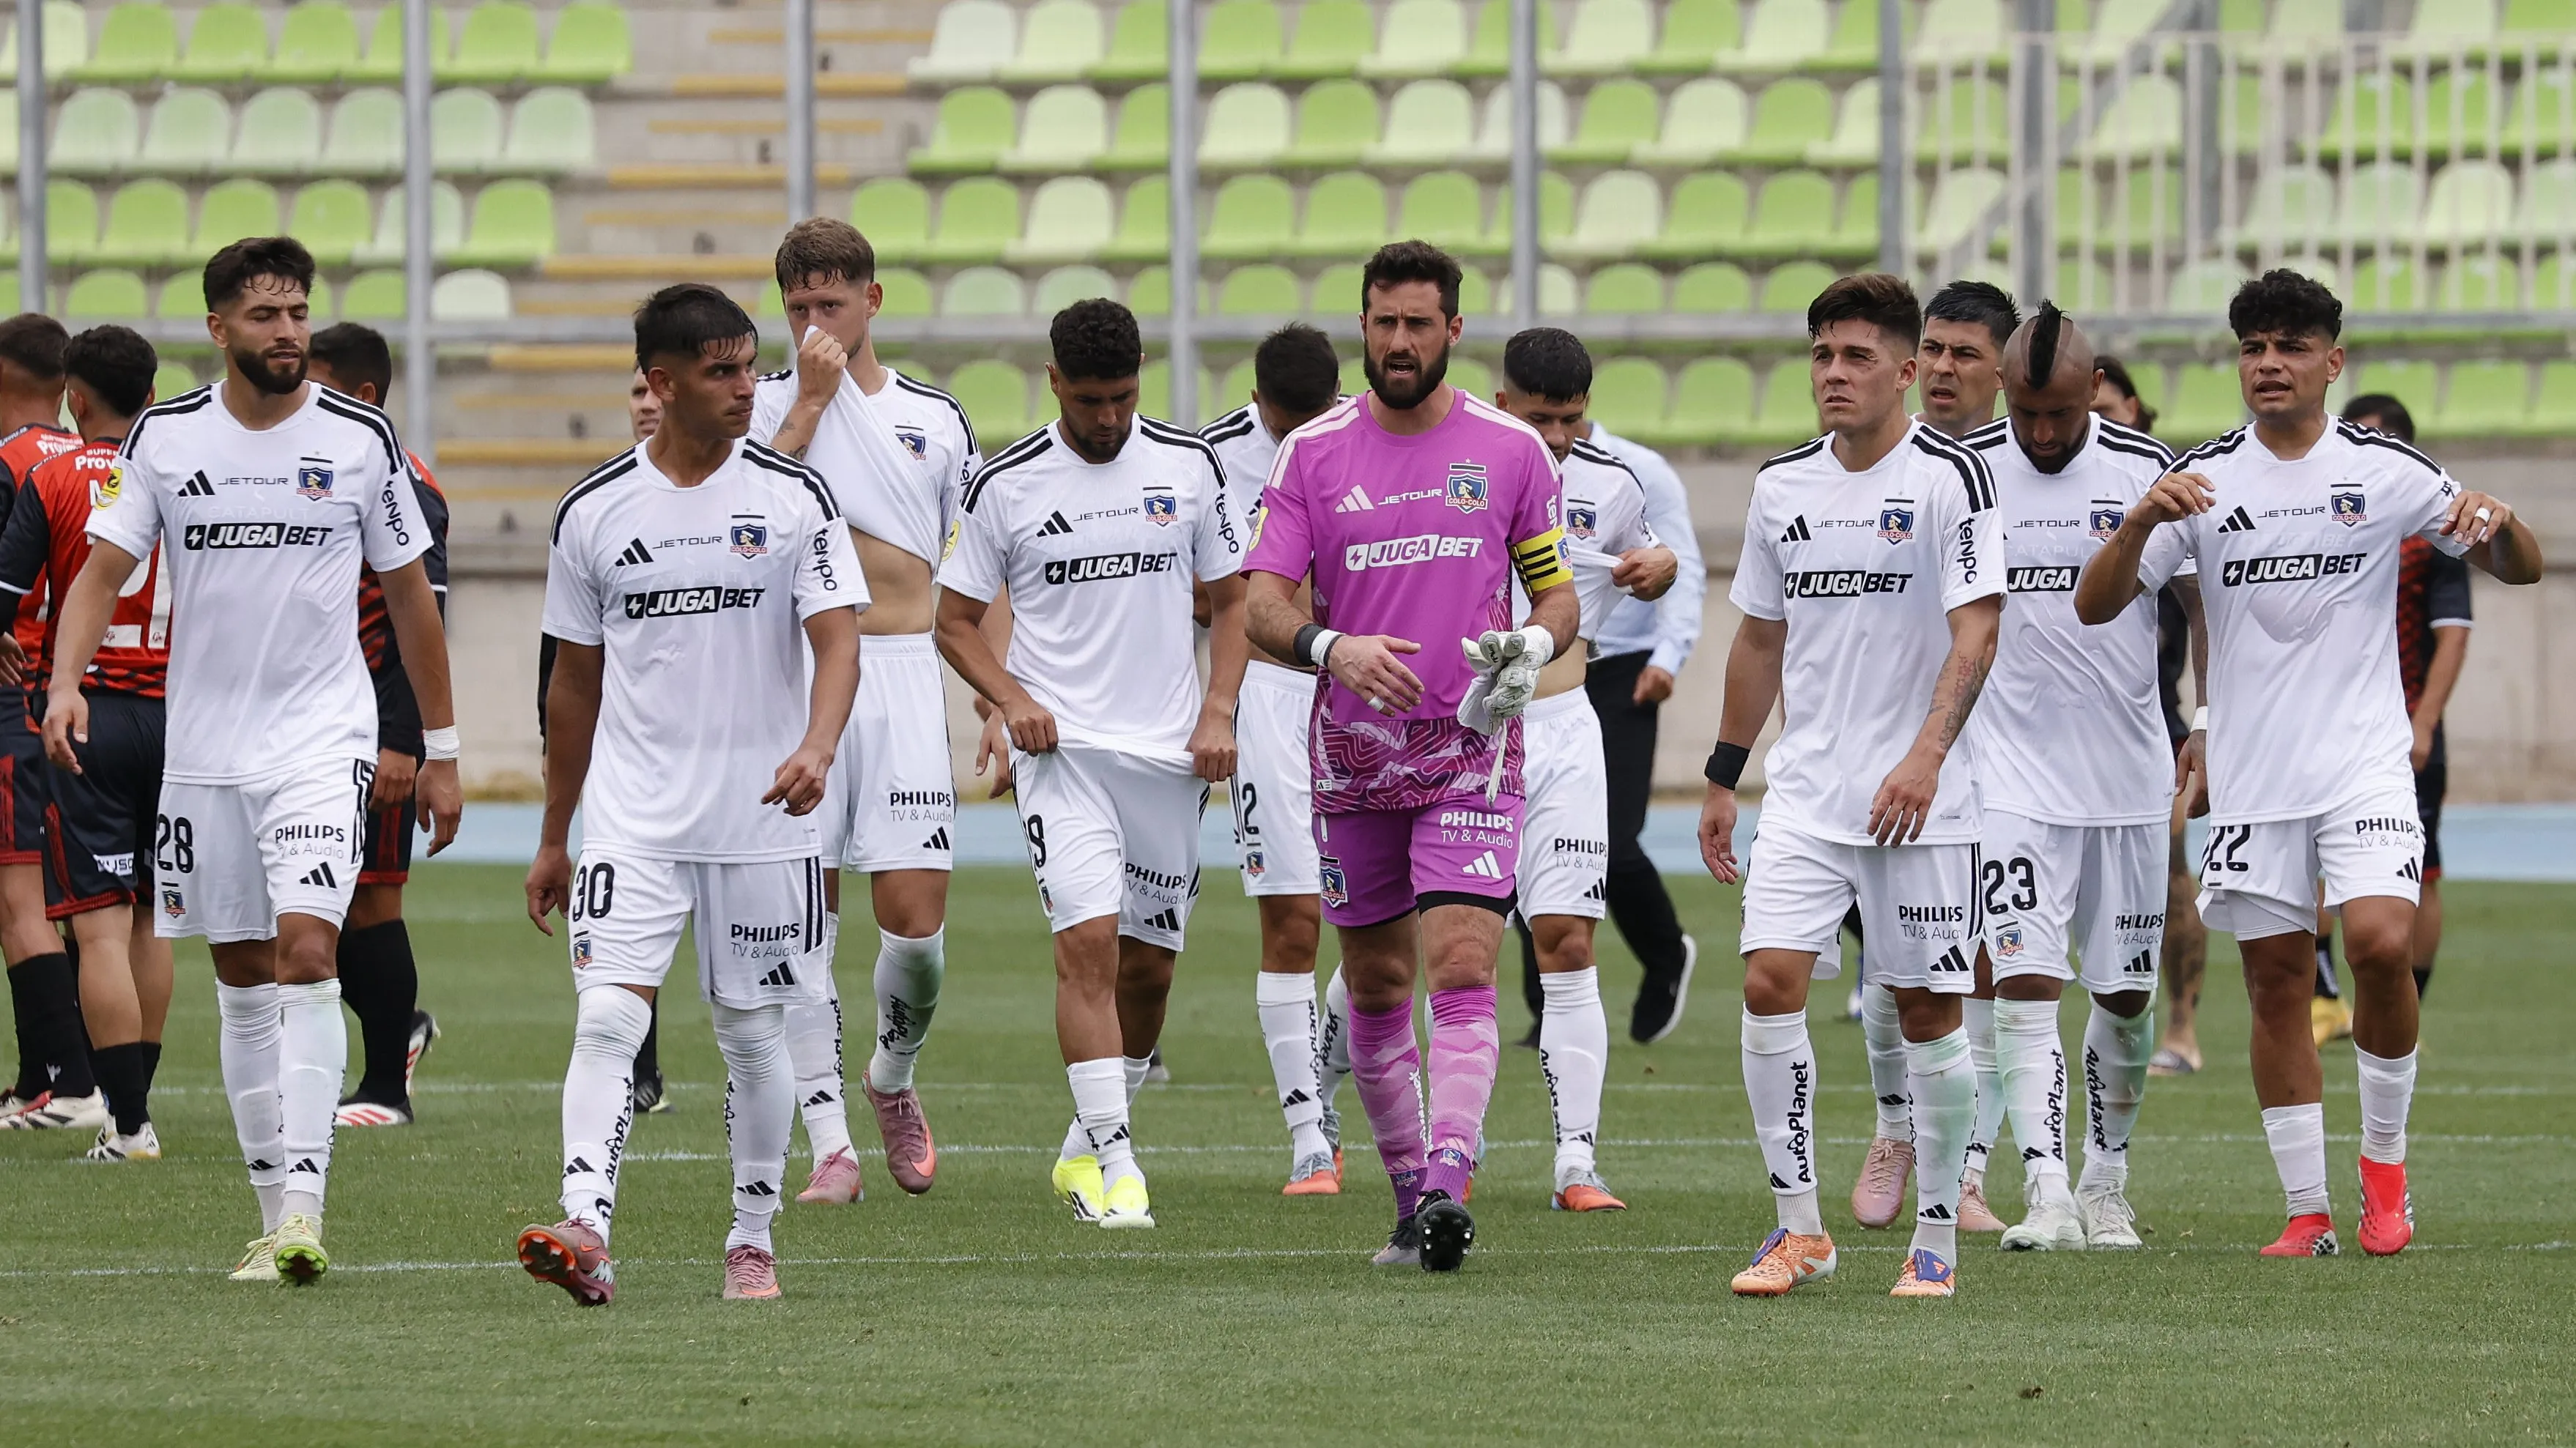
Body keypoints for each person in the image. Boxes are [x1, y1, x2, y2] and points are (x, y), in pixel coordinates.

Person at [2075, 269, 2542, 1258]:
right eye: (2253, 348)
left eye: (2290, 346)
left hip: (2365, 762)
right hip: (2251, 773)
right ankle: (2308, 1210)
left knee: (2378, 941)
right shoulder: (2201, 480)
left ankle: (2384, 1173)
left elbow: (2519, 563)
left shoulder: (2384, 469)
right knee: (2278, 982)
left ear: (2333, 362)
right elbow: (2095, 602)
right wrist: (2143, 520)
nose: (2269, 364)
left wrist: (2501, 526)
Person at [45, 237, 462, 1284]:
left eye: (298, 312)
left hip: (323, 740)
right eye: (266, 315)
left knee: (308, 954)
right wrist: (64, 683)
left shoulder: (362, 439)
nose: (288, 332)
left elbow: (414, 601)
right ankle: (274, 1215)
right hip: (204, 751)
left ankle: (309, 1206)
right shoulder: (166, 440)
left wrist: (441, 747)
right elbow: (101, 573)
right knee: (239, 979)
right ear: (219, 328)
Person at [519, 283, 864, 1305]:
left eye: (748, 366)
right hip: (635, 816)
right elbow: (571, 685)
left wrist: (818, 743)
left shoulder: (794, 497)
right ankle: (586, 1225)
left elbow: (838, 639)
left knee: (752, 1032)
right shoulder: (592, 512)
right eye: (721, 371)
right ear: (661, 385)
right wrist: (555, 832)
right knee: (605, 1023)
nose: (745, 388)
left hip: (765, 817)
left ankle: (751, 1237)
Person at [1243, 241, 1577, 1273]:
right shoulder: (1312, 455)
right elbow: (1258, 603)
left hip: (1471, 747)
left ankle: (1447, 1181)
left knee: (1466, 966)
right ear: (1363, 325)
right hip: (1351, 755)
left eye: (1418, 324)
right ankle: (1407, 1207)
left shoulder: (1514, 453)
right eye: (1383, 323)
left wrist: (1536, 645)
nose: (1398, 342)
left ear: (1454, 331)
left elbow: (1557, 594)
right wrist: (1329, 646)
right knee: (1379, 985)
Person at [1698, 272, 2003, 1300]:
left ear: (1907, 372)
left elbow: (1978, 628)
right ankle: (1800, 1230)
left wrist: (1924, 756)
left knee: (1926, 1010)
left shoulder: (1949, 481)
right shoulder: (1783, 488)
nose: (1834, 372)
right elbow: (1760, 637)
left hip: (1924, 803)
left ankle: (1934, 1240)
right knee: (1768, 981)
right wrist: (1722, 774)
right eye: (1823, 354)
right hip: (1810, 797)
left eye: (1857, 355)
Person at [936, 298, 1246, 1232]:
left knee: (1149, 973)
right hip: (1062, 758)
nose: (1108, 418)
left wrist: (1219, 709)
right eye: (1090, 401)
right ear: (1055, 383)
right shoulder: (1007, 484)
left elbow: (1233, 602)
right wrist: (1011, 697)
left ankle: (1084, 1145)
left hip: (1169, 760)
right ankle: (1119, 1171)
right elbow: (952, 622)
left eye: (1123, 397)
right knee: (1088, 948)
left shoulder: (1189, 470)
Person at [752, 219, 982, 1204]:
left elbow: (979, 565)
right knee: (803, 921)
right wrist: (805, 401)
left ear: (872, 302)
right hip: (795, 680)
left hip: (900, 677)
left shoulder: (936, 418)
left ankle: (890, 1077)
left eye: (832, 303)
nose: (815, 323)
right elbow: (749, 521)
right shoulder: (762, 410)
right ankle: (830, 1143)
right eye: (799, 306)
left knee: (916, 934)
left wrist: (997, 691)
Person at [1958, 304, 2190, 1251]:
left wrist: (2204, 721)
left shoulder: (2149, 473)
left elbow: (2200, 597)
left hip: (2128, 771)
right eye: (2027, 414)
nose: (2044, 433)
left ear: (2093, 390)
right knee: (2025, 978)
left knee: (2127, 995)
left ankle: (2108, 1178)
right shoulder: (1968, 471)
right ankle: (2046, 1187)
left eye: (2060, 414)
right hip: (2008, 771)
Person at [1846, 278, 2022, 1235]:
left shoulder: (2017, 460)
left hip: (2016, 760)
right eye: (1936, 351)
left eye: (1966, 354)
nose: (1947, 369)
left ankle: (1965, 1169)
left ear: (2005, 367)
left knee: (1986, 966)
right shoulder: (1881, 463)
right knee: (1894, 968)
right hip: (1901, 757)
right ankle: (1892, 1128)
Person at [1487, 327, 1676, 1211]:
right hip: (1464, 733)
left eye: (1571, 419)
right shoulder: (1466, 469)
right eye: (1540, 418)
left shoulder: (1616, 486)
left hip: (1566, 726)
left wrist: (1661, 569)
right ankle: (1321, 1101)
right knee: (1410, 953)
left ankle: (1576, 1160)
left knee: (1567, 941)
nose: (1558, 436)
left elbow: (1654, 567)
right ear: (1501, 403)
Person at [0, 325, 172, 1159]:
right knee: (154, 924)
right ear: (152, 389)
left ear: (77, 394)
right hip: (180, 718)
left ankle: (129, 1123)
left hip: (88, 712)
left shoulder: (54, 475)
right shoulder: (184, 474)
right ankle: (138, 1105)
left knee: (99, 929)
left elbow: (5, 590)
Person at [1200, 323, 1350, 1195]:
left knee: (1385, 925)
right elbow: (1198, 585)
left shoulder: (1361, 438)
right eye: (1282, 421)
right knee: (1294, 918)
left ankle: (1327, 1077)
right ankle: (1307, 1137)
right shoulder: (1213, 458)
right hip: (1270, 696)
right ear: (1257, 402)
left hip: (1368, 690)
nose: (1298, 438)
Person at [303, 323, 449, 1129]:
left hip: (373, 727)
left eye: (318, 388)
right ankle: (398, 1038)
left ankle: (387, 1087)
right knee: (310, 904)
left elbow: (418, 626)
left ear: (362, 397)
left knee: (369, 902)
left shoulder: (404, 483)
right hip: (315, 722)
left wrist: (406, 740)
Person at [540, 369, 674, 1115]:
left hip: (732, 772)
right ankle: (637, 1076)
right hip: (624, 769)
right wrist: (553, 746)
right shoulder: (592, 505)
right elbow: (564, 655)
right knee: (622, 937)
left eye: (657, 391)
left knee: (752, 992)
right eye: (635, 394)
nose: (647, 405)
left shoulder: (756, 498)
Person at [2312, 395, 2462, 1043]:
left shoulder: (2430, 533)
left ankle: (2407, 1007)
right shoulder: (2316, 511)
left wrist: (2424, 722)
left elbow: (2453, 631)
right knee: (2312, 864)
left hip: (2401, 730)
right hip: (2318, 724)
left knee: (2420, 869)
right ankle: (2321, 999)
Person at [1564, 388, 1703, 1047]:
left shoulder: (1638, 471)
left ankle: (1665, 953)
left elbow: (1685, 565)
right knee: (1538, 845)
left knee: (1610, 841)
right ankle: (1547, 1010)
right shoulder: (1503, 461)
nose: (1551, 431)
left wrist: (1669, 656)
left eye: (1563, 415)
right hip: (1533, 669)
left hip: (1622, 669)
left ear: (1585, 403)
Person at [2092, 357, 2213, 1079]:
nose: (2099, 425)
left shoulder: (2171, 493)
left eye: (2110, 412)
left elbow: (2205, 611)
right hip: (2041, 727)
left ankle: (2183, 1025)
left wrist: (2207, 719)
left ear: (2137, 410)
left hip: (2150, 722)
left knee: (2168, 873)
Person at [0, 313, 91, 1132]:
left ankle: (63, 1084)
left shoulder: (10, 462)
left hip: (19, 697)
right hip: (99, 695)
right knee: (81, 900)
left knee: (17, 895)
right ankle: (50, 1077)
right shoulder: (100, 463)